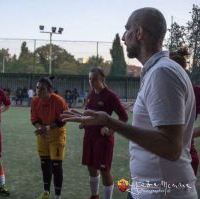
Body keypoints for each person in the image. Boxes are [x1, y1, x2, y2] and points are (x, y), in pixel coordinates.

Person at [61, 7, 197, 199]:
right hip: (150, 187)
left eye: (127, 29)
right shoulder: (159, 71)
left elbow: (171, 147)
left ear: (139, 32)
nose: (123, 37)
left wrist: (109, 122)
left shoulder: (162, 73)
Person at [82, 67, 128, 199]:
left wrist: (110, 130)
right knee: (91, 167)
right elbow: (87, 113)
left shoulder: (110, 96)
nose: (91, 81)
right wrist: (83, 122)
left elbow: (123, 117)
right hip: (89, 137)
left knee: (104, 170)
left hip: (103, 140)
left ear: (102, 79)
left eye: (94, 79)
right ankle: (94, 196)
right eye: (90, 79)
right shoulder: (91, 94)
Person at [31, 76, 68, 199]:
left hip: (57, 135)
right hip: (42, 135)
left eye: (42, 88)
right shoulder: (35, 101)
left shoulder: (58, 101)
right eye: (37, 88)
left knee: (57, 165)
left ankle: (57, 196)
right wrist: (39, 128)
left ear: (49, 90)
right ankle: (46, 192)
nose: (38, 91)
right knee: (44, 164)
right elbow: (34, 119)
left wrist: (44, 128)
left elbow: (62, 121)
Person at [170, 47, 200, 175]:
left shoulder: (196, 92)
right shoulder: (160, 90)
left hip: (186, 156)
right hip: (161, 157)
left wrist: (188, 134)